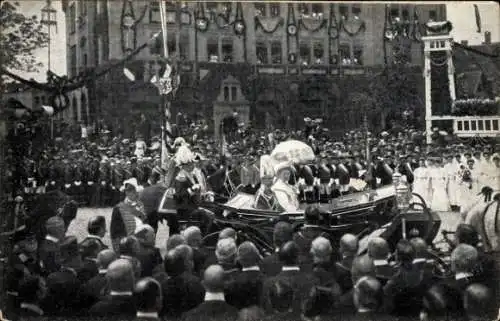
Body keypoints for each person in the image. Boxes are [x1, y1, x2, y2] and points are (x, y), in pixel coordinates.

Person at [110, 178, 146, 251]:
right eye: (128, 190)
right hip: (126, 243)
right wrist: (117, 247)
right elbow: (114, 231)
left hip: (140, 242)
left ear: (136, 191)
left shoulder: (141, 205)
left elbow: (146, 224)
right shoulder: (118, 208)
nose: (130, 193)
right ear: (125, 192)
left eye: (132, 190)